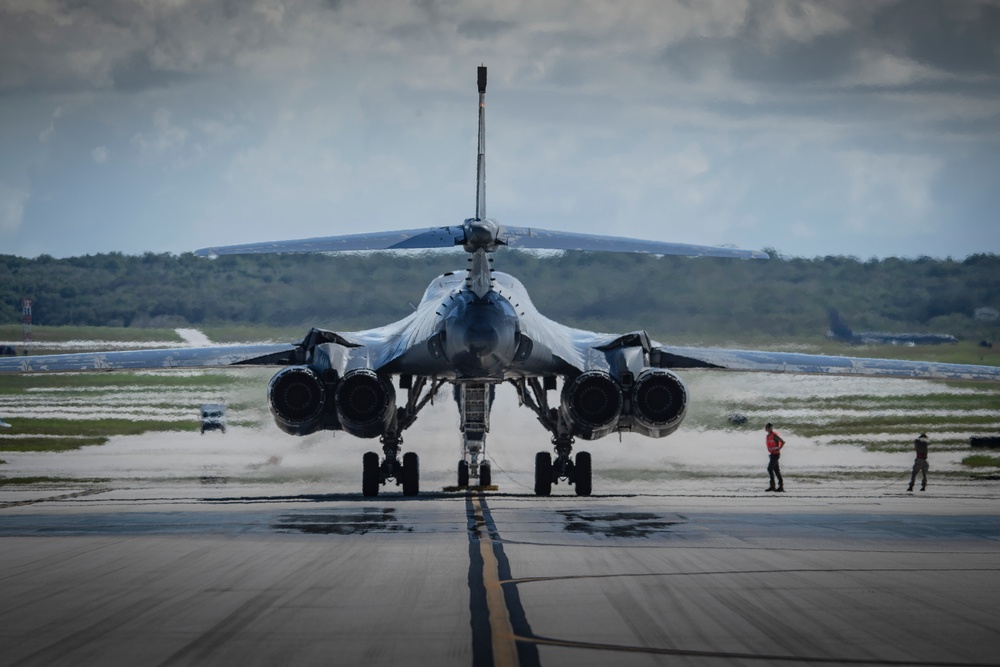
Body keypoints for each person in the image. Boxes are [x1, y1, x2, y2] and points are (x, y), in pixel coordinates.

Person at [764, 422, 785, 492]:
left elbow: (782, 441)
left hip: (776, 454)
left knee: (770, 468)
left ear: (770, 428)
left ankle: (773, 486)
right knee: (776, 470)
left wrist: (779, 448)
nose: (765, 428)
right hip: (772, 454)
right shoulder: (768, 436)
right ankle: (780, 487)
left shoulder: (774, 435)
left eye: (766, 427)